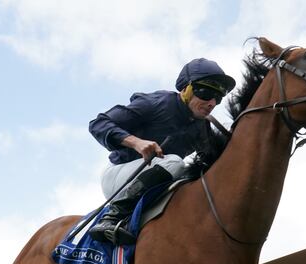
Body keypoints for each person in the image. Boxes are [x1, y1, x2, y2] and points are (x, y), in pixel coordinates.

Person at [87, 57, 236, 244]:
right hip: (118, 176)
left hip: (154, 178)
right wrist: (136, 143)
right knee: (175, 162)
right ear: (186, 89)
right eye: (206, 93)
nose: (212, 103)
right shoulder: (156, 102)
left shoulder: (202, 127)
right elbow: (98, 124)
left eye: (218, 98)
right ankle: (111, 218)